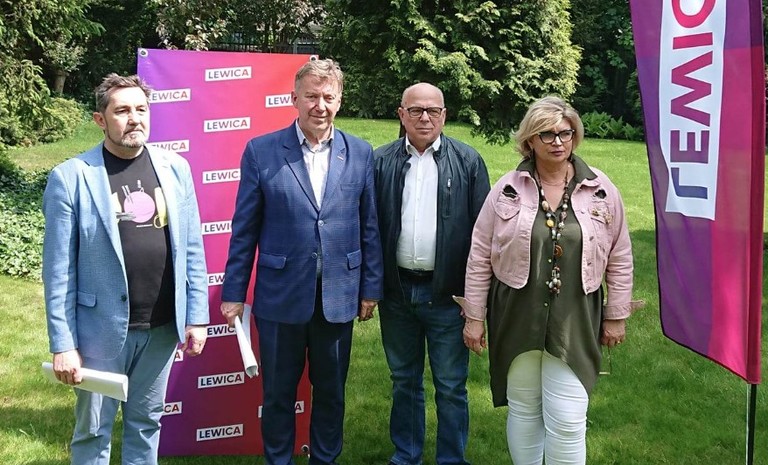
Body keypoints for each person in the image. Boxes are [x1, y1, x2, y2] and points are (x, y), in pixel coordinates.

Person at [456, 96, 642, 465]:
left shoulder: (601, 189)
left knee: (569, 417)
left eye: (565, 133)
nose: (558, 142)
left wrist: (617, 314)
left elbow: (620, 254)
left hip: (576, 315)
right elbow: (479, 255)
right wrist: (474, 317)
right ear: (530, 140)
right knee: (524, 408)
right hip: (516, 311)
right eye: (547, 134)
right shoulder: (508, 188)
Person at [220, 58, 383, 465]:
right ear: (294, 98)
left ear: (340, 101)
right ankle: (279, 460)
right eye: (311, 96)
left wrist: (370, 289)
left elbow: (370, 227)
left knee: (331, 393)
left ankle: (324, 459)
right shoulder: (261, 151)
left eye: (328, 97)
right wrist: (234, 293)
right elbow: (244, 229)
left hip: (338, 297)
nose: (319, 106)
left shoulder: (361, 153)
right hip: (280, 297)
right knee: (277, 394)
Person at [42, 73, 209, 465]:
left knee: (147, 424)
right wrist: (63, 343)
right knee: (92, 432)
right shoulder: (71, 178)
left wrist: (197, 316)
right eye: (122, 111)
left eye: (141, 109)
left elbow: (192, 248)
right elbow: (58, 272)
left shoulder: (175, 168)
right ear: (100, 120)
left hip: (162, 328)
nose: (134, 118)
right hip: (98, 332)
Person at [374, 82, 490, 465]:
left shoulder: (468, 162)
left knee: (451, 385)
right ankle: (406, 455)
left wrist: (475, 303)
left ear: (444, 115)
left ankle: (451, 459)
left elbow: (484, 238)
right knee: (403, 381)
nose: (425, 117)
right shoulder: (381, 161)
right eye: (416, 110)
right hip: (397, 293)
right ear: (401, 114)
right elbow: (370, 229)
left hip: (448, 296)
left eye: (433, 111)